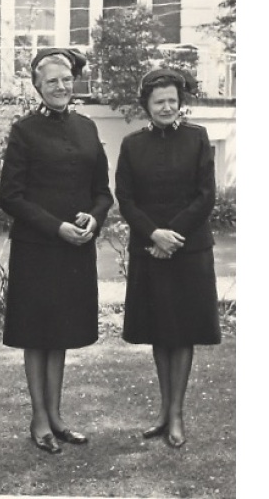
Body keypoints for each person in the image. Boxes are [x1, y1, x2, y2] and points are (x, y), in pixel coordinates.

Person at [0, 48, 113, 454]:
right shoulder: (24, 130)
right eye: (52, 81)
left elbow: (103, 192)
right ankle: (39, 419)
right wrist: (56, 227)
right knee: (38, 334)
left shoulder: (86, 126)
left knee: (61, 334)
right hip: (38, 249)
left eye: (66, 79)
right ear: (37, 86)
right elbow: (8, 196)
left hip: (75, 250)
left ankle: (57, 416)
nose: (61, 86)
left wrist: (94, 219)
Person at [115, 67, 221, 449]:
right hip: (149, 248)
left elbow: (205, 195)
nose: (166, 107)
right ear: (146, 104)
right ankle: (162, 411)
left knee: (183, 332)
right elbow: (125, 198)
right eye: (159, 101)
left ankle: (176, 413)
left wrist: (172, 235)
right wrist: (153, 234)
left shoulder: (197, 138)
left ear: (181, 103)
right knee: (160, 330)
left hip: (188, 250)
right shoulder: (131, 144)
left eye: (172, 101)